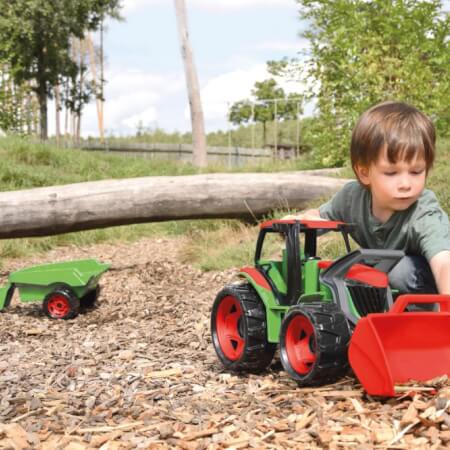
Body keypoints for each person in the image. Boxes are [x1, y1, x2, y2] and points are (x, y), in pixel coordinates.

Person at [289, 101, 450, 295]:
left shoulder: (424, 214)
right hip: (385, 273)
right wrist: (300, 221)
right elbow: (321, 218)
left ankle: (427, 314)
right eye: (391, 173)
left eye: (416, 172)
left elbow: (443, 263)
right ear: (365, 172)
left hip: (430, 278)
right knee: (348, 269)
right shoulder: (351, 198)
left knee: (401, 272)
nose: (406, 184)